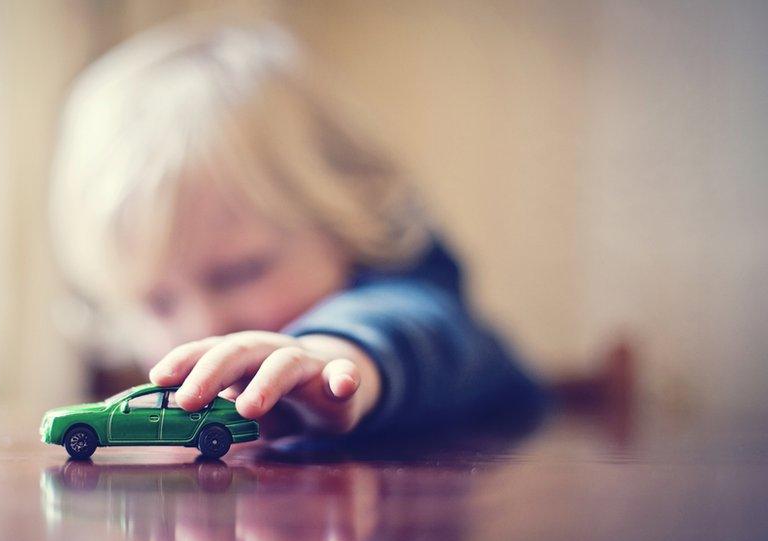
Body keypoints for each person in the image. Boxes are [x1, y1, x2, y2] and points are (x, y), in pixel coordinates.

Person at [50, 18, 542, 440]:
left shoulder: (415, 304)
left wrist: (330, 354)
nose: (203, 328)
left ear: (345, 224)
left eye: (239, 272)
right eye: (158, 302)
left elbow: (418, 326)